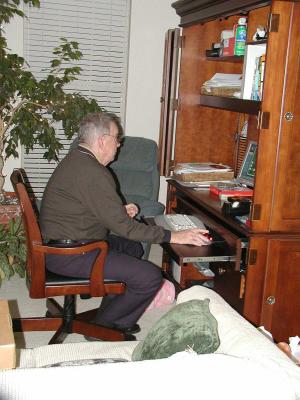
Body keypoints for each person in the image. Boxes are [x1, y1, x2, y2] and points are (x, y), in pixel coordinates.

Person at [39, 112, 211, 337]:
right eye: (116, 138)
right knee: (150, 276)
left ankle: (111, 313)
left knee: (133, 248)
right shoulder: (93, 173)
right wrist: (173, 236)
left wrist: (117, 211)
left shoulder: (77, 160)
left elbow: (87, 207)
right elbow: (126, 228)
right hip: (72, 254)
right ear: (102, 140)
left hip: (68, 244)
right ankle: (105, 327)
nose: (118, 144)